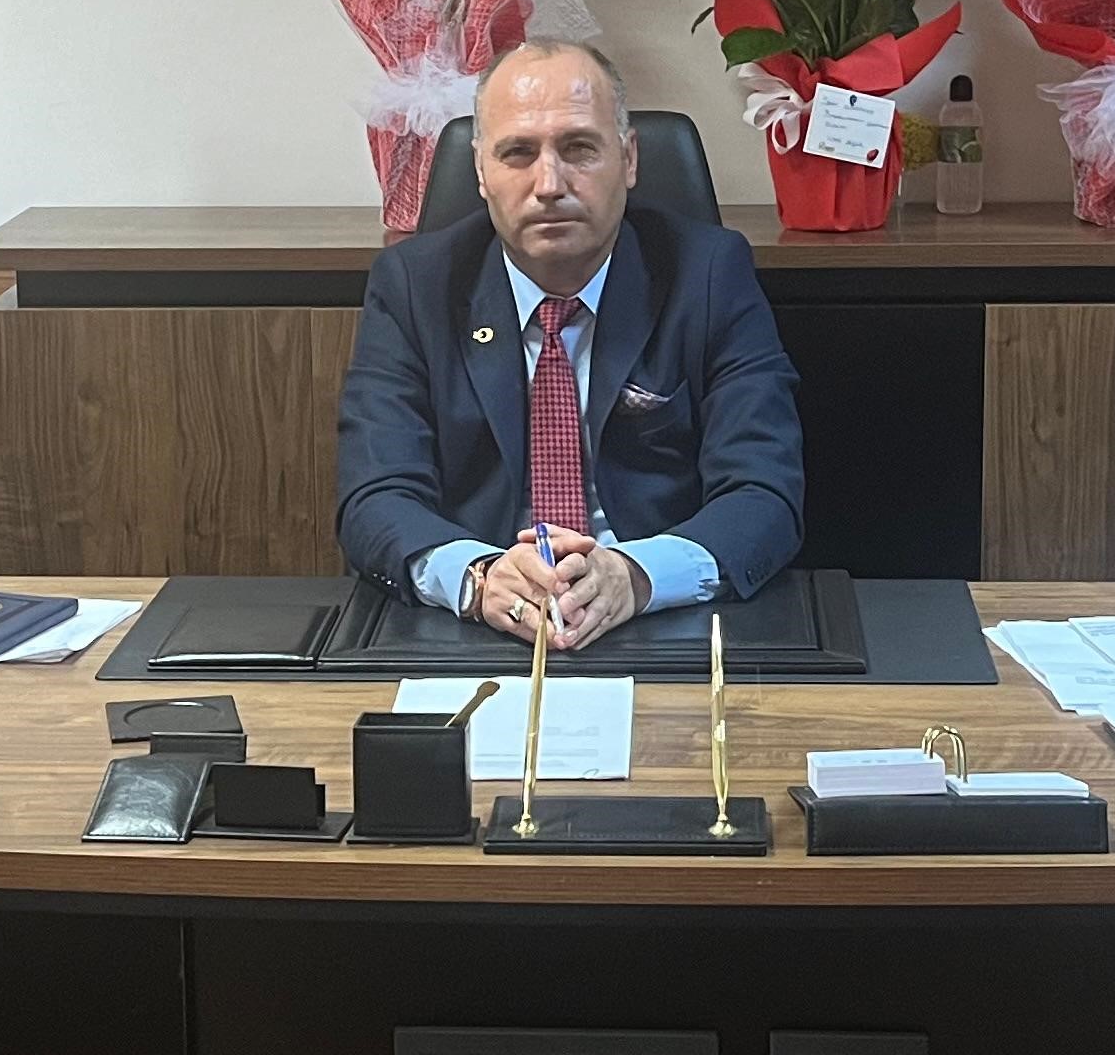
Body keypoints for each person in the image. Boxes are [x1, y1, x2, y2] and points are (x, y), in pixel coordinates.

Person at [335, 39, 806, 648]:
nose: (549, 184)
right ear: (480, 172)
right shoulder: (414, 285)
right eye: (518, 153)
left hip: (662, 624)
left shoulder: (708, 273)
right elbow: (374, 496)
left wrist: (636, 576)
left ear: (629, 159)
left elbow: (765, 492)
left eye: (579, 148)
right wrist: (478, 578)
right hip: (475, 630)